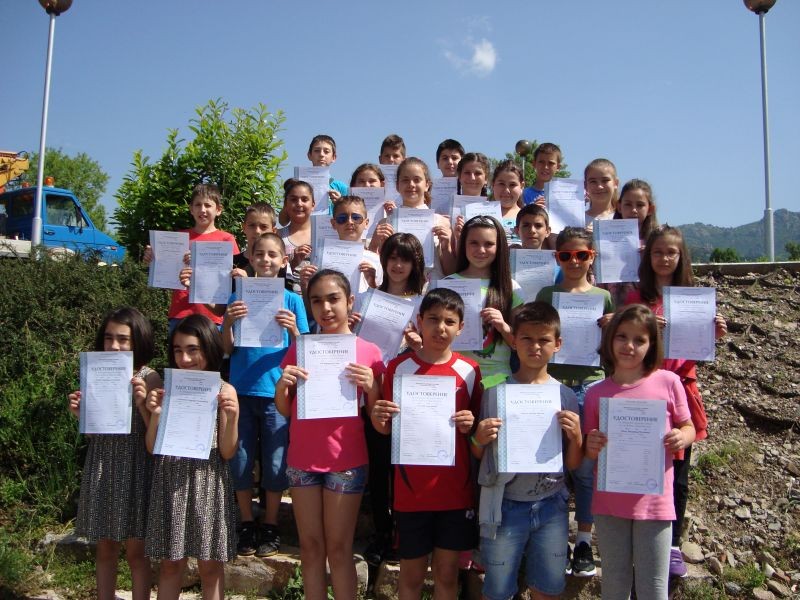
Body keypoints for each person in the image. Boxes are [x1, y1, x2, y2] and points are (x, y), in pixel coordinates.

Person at [624, 225, 727, 578]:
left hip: (679, 393)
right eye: (658, 252)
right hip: (643, 391)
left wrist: (712, 334)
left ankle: (672, 545)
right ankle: (638, 540)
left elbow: (694, 352)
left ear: (682, 257)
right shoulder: (636, 297)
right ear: (647, 257)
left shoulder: (694, 298)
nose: (664, 258)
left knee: (679, 476)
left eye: (671, 252)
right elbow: (625, 342)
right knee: (642, 467)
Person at [275, 269, 384, 600]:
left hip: (345, 461)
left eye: (333, 299)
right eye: (317, 301)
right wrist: (282, 386)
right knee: (310, 548)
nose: (325, 308)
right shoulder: (300, 349)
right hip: (302, 459)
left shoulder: (369, 351)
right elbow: (285, 408)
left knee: (339, 549)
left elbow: (377, 418)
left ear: (349, 301)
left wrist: (372, 386)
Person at [371, 287, 482, 600]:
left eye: (449, 321)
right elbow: (385, 429)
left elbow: (476, 432)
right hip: (411, 492)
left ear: (461, 327)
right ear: (419, 321)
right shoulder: (397, 368)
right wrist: (378, 417)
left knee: (447, 576)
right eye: (433, 319)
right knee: (411, 576)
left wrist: (471, 424)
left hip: (454, 491)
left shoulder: (470, 371)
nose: (440, 328)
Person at [584, 304, 695, 599]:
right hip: (609, 503)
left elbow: (689, 427)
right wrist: (590, 445)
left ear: (652, 345)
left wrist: (681, 437)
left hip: (654, 502)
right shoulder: (596, 393)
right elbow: (588, 450)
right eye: (622, 336)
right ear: (610, 339)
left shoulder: (669, 382)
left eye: (639, 339)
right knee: (614, 582)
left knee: (653, 586)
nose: (629, 346)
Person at [473, 302, 583, 600]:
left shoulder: (565, 396)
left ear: (557, 344)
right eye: (527, 339)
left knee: (547, 589)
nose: (535, 346)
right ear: (514, 341)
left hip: (551, 505)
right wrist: (479, 439)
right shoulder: (496, 393)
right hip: (504, 505)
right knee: (497, 591)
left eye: (544, 339)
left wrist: (576, 438)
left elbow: (573, 464)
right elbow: (481, 457)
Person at [221, 232, 309, 558]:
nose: (266, 260)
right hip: (242, 391)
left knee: (275, 462)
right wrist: (228, 322)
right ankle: (247, 522)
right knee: (241, 460)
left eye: (273, 255)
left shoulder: (292, 300)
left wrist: (293, 330)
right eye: (260, 254)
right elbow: (226, 349)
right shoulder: (237, 297)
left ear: (284, 261)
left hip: (276, 393)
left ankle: (270, 524)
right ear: (250, 258)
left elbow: (304, 350)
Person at [535, 226, 614, 577]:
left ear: (591, 257)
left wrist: (612, 325)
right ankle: (552, 539)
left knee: (584, 469)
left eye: (582, 255)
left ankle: (583, 540)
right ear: (557, 258)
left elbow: (611, 348)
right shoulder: (547, 293)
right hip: (552, 385)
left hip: (589, 385)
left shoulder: (604, 297)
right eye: (566, 255)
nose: (574, 261)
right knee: (552, 464)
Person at [68, 307, 161, 600]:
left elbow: (156, 433)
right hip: (104, 464)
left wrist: (143, 404)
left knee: (137, 551)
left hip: (137, 466)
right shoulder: (97, 371)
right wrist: (81, 415)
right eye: (109, 338)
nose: (114, 345)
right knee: (105, 546)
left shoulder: (149, 376)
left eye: (123, 339)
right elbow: (94, 432)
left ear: (138, 340)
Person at [144, 314, 239, 600]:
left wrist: (232, 416)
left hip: (208, 483)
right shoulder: (168, 389)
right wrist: (155, 415)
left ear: (209, 348)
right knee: (170, 565)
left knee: (210, 567)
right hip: (171, 482)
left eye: (192, 350)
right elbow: (152, 447)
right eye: (178, 350)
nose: (184, 359)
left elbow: (227, 451)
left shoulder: (225, 390)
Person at [360, 232, 427, 565]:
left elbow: (435, 351)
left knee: (404, 465)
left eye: (406, 259)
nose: (398, 265)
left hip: (410, 394)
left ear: (416, 264)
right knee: (378, 466)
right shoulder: (366, 299)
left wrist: (417, 343)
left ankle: (404, 531)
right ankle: (382, 532)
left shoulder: (424, 302)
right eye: (393, 258)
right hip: (373, 392)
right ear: (384, 260)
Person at [143, 184, 240, 331]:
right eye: (198, 205)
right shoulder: (178, 238)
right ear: (191, 209)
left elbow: (233, 276)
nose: (202, 210)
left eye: (208, 205)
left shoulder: (227, 239)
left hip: (213, 316)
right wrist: (153, 258)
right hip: (181, 314)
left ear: (219, 210)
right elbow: (165, 275)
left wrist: (200, 262)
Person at [445, 215, 524, 388]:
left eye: (489, 244)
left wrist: (503, 326)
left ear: (500, 247)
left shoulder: (511, 287)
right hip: (455, 378)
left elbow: (521, 344)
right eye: (474, 243)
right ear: (463, 244)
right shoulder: (447, 284)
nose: (481, 250)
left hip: (498, 380)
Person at [368, 157, 456, 278]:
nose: (411, 185)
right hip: (397, 288)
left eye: (417, 180)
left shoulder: (442, 222)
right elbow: (376, 271)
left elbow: (450, 273)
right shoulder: (385, 223)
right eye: (405, 180)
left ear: (427, 185)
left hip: (432, 287)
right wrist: (374, 245)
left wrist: (446, 247)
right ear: (397, 186)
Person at [300, 195, 383, 297]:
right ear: (333, 224)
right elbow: (314, 300)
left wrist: (372, 284)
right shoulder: (321, 259)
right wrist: (305, 285)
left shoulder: (376, 260)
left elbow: (379, 300)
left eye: (356, 218)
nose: (350, 222)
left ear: (366, 223)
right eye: (342, 218)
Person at [279, 179, 316, 274]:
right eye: (293, 199)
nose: (299, 204)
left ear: (313, 205)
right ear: (286, 204)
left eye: (304, 199)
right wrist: (293, 262)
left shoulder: (324, 235)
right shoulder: (277, 236)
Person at [490, 159, 523, 245]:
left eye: (512, 185)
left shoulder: (528, 216)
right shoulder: (482, 215)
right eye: (501, 184)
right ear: (493, 185)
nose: (506, 190)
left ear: (522, 186)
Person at [584, 158, 619, 229]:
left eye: (605, 180)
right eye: (593, 181)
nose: (599, 186)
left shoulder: (624, 218)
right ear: (585, 185)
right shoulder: (576, 220)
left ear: (616, 183)